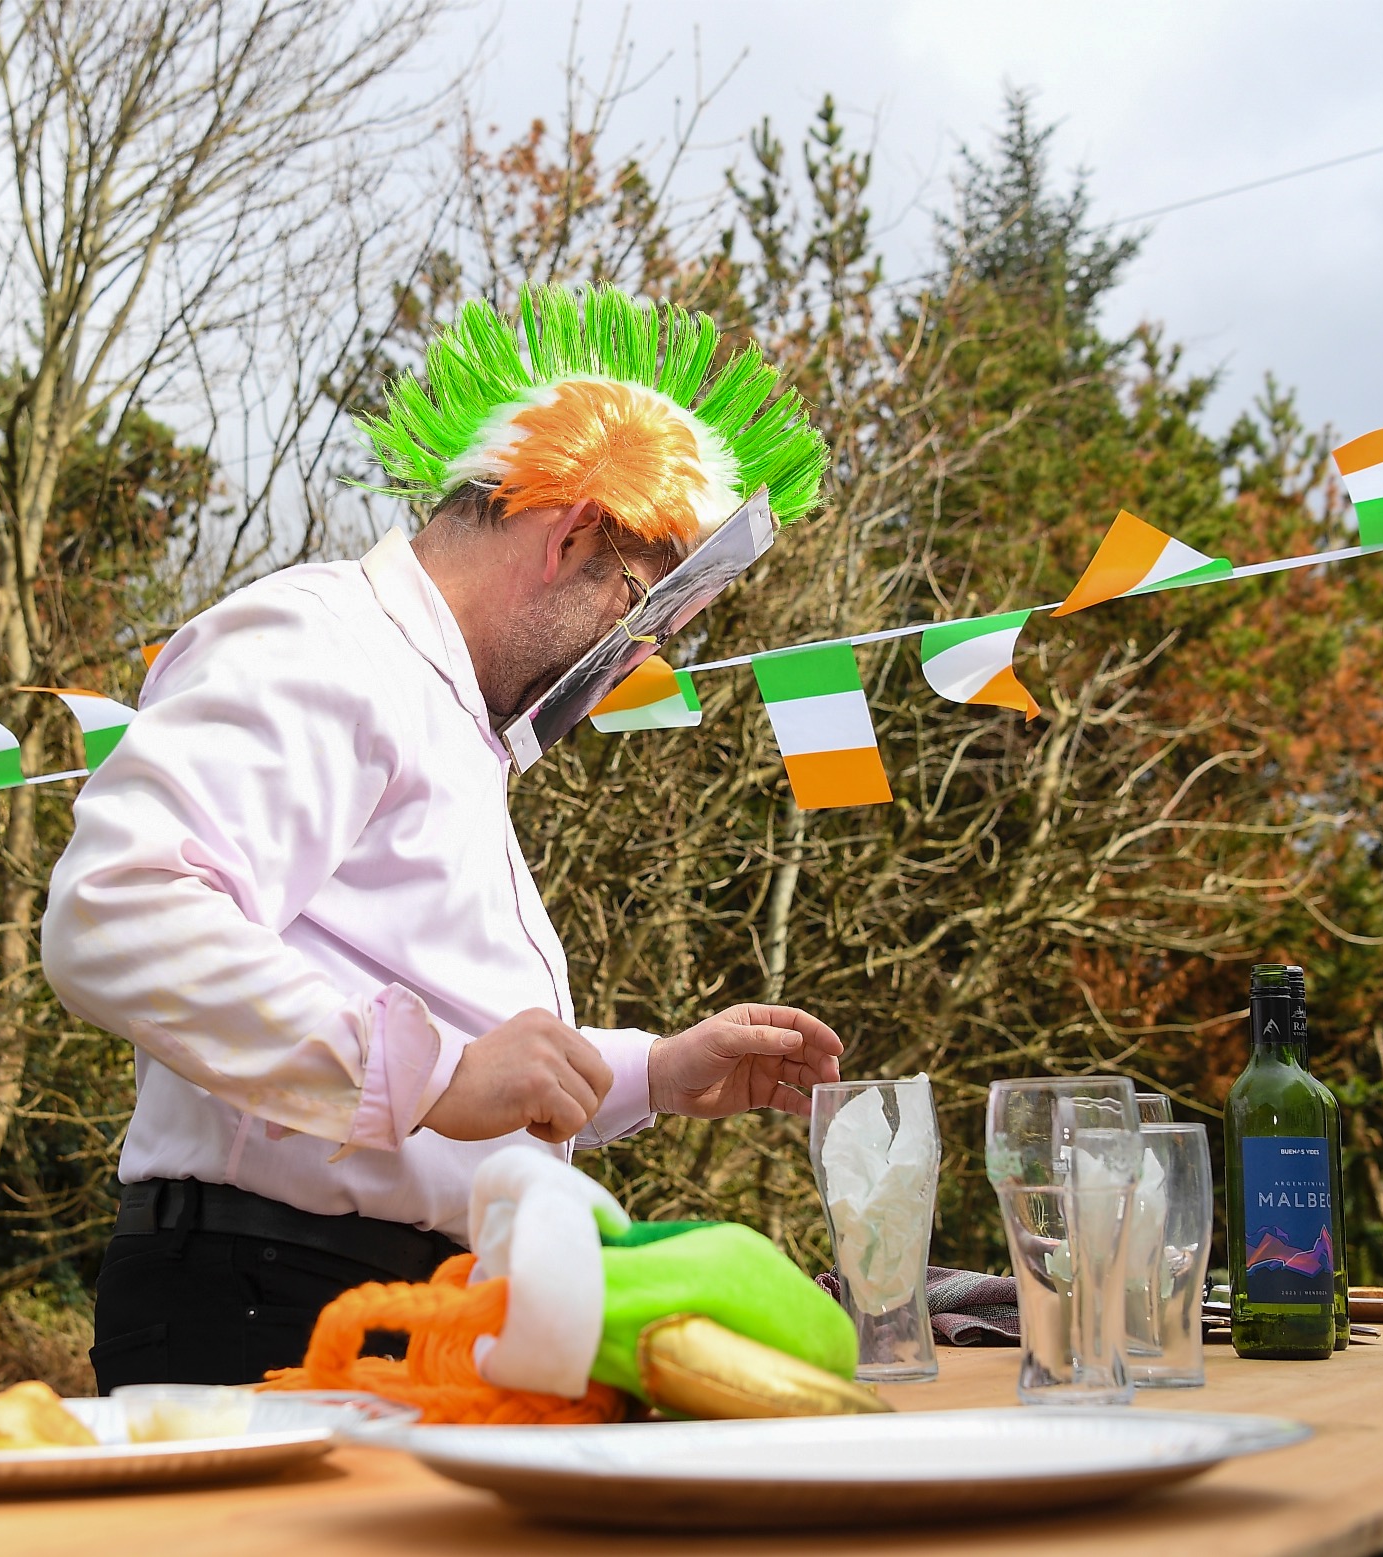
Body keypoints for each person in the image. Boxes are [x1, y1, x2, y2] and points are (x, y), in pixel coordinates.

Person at [42, 283, 847, 1389]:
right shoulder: (326, 644)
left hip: (383, 1305)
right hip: (269, 1301)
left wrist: (651, 1074)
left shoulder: (440, 713)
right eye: (641, 612)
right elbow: (117, 911)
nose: (635, 661)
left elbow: (441, 1028)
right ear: (572, 535)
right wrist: (430, 1079)